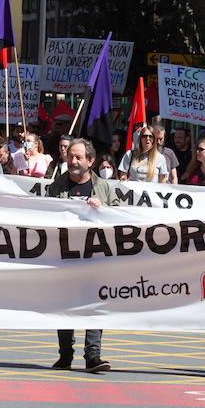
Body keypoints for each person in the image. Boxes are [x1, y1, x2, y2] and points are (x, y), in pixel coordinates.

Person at [46, 138, 118, 373]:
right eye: (70, 157)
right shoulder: (57, 186)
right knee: (65, 306)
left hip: (96, 257)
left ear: (91, 161)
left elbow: (121, 217)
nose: (73, 161)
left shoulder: (104, 188)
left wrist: (103, 209)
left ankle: (93, 356)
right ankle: (65, 355)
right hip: (65, 256)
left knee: (94, 305)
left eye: (78, 157)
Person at [148, 118, 181, 184]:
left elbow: (174, 177)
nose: (158, 142)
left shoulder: (169, 153)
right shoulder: (145, 153)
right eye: (156, 139)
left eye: (161, 139)